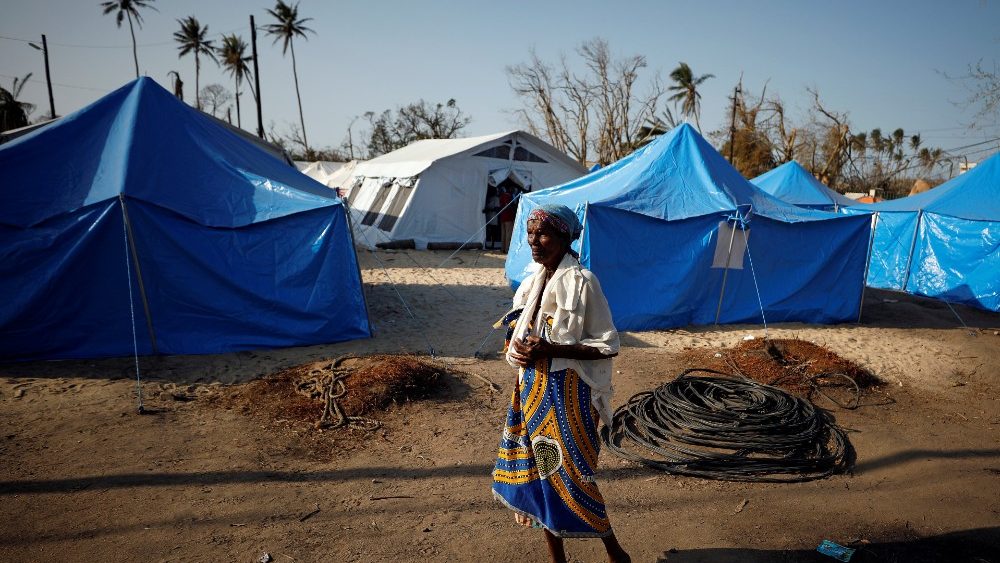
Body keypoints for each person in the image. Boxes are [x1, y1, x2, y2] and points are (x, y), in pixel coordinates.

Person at [492, 204, 630, 563]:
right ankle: (558, 559)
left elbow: (608, 345)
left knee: (574, 476)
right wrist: (517, 351)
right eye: (530, 233)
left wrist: (552, 348)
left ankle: (616, 554)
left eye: (543, 234)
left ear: (565, 237)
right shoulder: (529, 284)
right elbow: (514, 338)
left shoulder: (583, 283)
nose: (534, 241)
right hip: (531, 393)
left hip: (571, 397)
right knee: (540, 479)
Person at [498, 185, 517, 253]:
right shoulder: (507, 196)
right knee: (508, 234)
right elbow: (507, 206)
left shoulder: (501, 196)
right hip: (508, 217)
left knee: (503, 234)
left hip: (503, 217)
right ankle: (507, 249)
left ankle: (503, 248)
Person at [483, 186, 501, 250]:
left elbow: (497, 208)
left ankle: (492, 244)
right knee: (489, 232)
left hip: (493, 217)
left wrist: (488, 210)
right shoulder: (488, 198)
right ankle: (488, 244)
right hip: (489, 217)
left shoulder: (496, 198)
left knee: (493, 232)